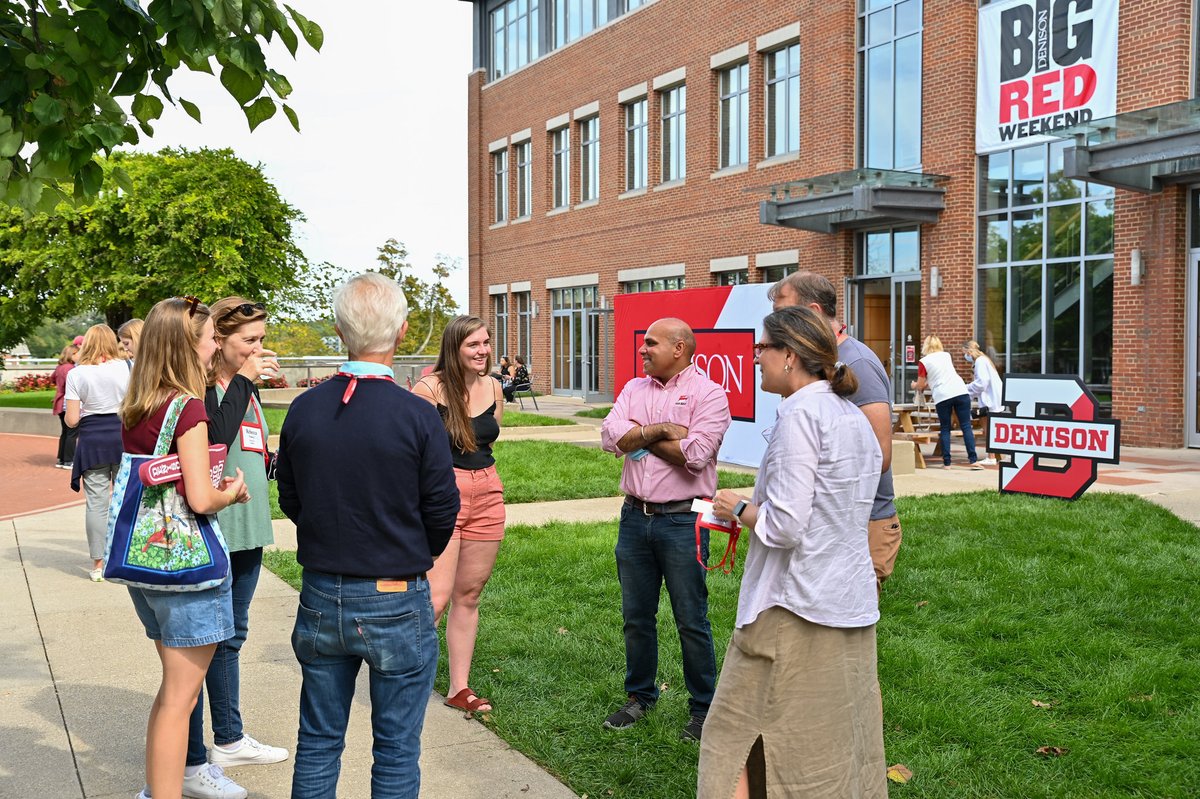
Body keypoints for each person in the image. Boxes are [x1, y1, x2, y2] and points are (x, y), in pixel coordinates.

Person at [277, 273, 459, 799]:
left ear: (339, 330)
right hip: (395, 591)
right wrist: (411, 550)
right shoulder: (418, 414)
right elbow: (442, 507)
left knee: (318, 739)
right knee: (397, 746)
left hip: (321, 591)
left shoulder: (305, 409)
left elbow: (291, 495)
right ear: (402, 332)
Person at [699, 306, 887, 799]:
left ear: (790, 356)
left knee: (729, 738)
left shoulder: (802, 415)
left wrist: (736, 505)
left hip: (790, 607)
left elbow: (783, 527)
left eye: (763, 348)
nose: (756, 357)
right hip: (847, 603)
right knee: (827, 748)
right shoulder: (852, 417)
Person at [122, 296, 251, 799]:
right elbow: (201, 498)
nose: (215, 346)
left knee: (170, 693)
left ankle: (158, 791)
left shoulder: (139, 404)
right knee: (181, 697)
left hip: (144, 562)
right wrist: (233, 491)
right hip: (185, 567)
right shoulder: (188, 407)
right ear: (188, 344)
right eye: (210, 338)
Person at [599, 317, 732, 742]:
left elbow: (694, 454)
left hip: (683, 521)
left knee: (691, 619)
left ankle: (703, 709)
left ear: (679, 348)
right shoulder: (634, 388)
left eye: (651, 344)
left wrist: (636, 435)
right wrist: (659, 430)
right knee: (636, 617)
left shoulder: (710, 395)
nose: (643, 350)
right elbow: (608, 435)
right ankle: (640, 696)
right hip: (634, 518)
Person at [177, 298, 286, 798]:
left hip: (248, 525)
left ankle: (229, 738)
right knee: (202, 644)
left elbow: (249, 445)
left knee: (232, 635)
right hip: (216, 526)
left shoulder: (245, 384)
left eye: (261, 339)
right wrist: (247, 379)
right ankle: (193, 759)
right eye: (249, 340)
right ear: (216, 340)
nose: (258, 349)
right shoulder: (199, 386)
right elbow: (218, 438)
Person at [769, 271, 903, 593]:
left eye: (783, 314)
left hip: (861, 523)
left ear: (813, 312)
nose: (776, 325)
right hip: (831, 521)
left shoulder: (857, 362)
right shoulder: (816, 361)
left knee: (847, 627)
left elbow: (879, 457)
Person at [411, 315, 506, 714]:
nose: (483, 351)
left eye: (485, 342)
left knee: (469, 594)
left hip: (487, 491)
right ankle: (404, 680)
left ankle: (459, 688)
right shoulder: (428, 389)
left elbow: (488, 439)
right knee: (436, 596)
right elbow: (412, 451)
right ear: (454, 348)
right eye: (474, 345)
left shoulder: (495, 388)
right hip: (442, 493)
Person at [65, 324, 131, 581]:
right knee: (127, 498)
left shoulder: (77, 374)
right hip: (124, 437)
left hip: (92, 440)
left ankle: (98, 564)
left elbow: (71, 420)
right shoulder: (128, 367)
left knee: (96, 503)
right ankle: (125, 555)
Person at [912, 335, 982, 470]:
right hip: (960, 390)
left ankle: (947, 463)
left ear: (925, 346)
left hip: (943, 395)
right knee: (966, 426)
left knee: (945, 428)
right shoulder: (946, 355)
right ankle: (973, 460)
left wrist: (914, 385)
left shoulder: (924, 361)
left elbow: (921, 385)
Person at [963, 340, 1003, 466]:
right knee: (992, 429)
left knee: (987, 429)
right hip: (994, 399)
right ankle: (995, 455)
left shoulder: (980, 362)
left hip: (989, 401)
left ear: (969, 351)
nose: (965, 356)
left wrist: (966, 388)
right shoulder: (984, 359)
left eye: (964, 353)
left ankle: (991, 457)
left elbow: (982, 383)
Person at [51, 343, 79, 470]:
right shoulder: (71, 369)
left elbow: (52, 379)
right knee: (72, 433)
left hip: (59, 402)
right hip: (67, 402)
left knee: (65, 432)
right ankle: (68, 460)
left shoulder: (60, 368)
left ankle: (61, 459)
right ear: (72, 354)